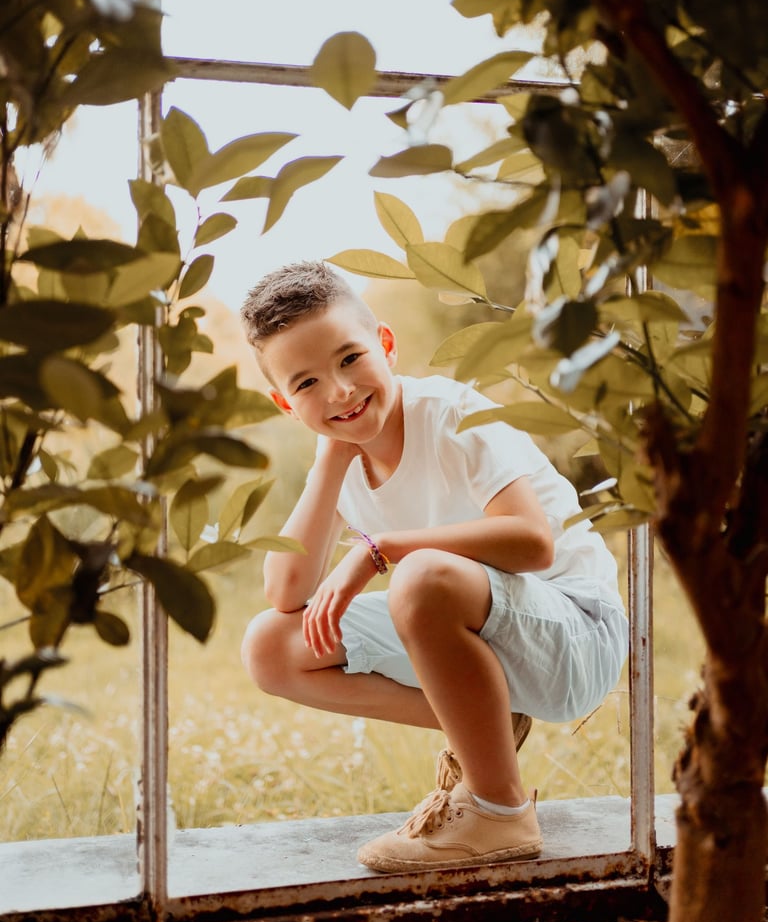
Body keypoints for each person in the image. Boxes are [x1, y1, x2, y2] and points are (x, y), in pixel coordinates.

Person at [239, 260, 628, 873]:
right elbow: (285, 590)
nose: (339, 391)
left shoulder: (450, 414)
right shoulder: (343, 458)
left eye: (349, 358)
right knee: (270, 646)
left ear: (385, 344)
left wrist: (381, 549)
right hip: (488, 635)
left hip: (575, 633)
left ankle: (498, 811)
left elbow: (533, 543)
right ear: (285, 402)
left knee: (421, 576)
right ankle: (489, 723)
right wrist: (330, 463)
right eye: (306, 383)